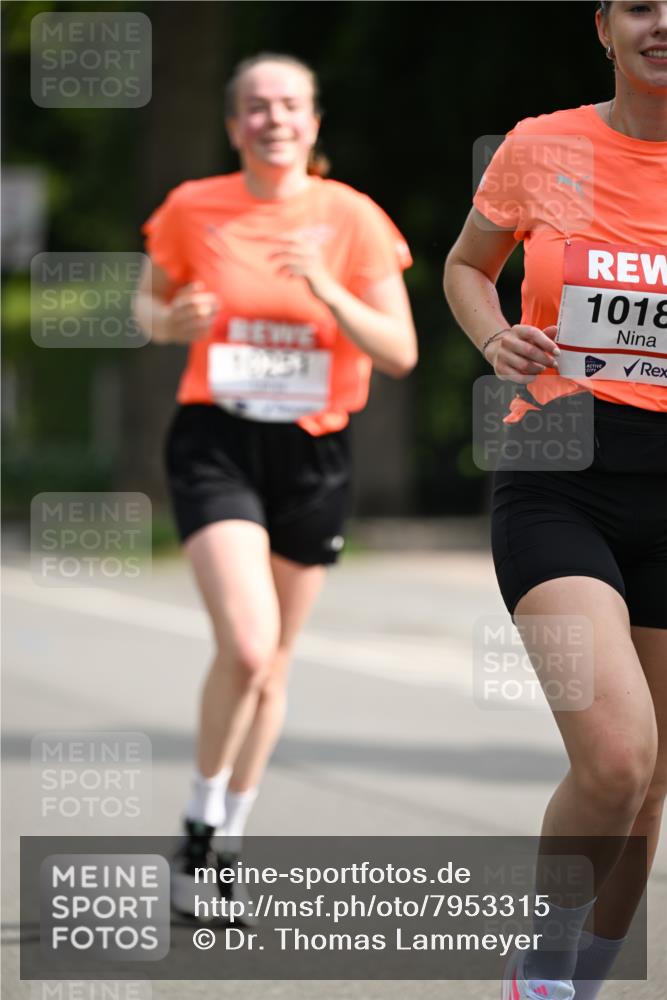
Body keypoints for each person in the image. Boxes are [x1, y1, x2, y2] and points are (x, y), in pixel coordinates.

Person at [133, 52, 417, 917]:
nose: (273, 119)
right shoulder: (192, 206)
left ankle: (224, 834)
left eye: (289, 105)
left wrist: (325, 284)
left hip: (313, 451)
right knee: (249, 645)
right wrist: (166, 320)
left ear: (314, 122)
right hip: (217, 441)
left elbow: (398, 352)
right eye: (255, 107)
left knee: (273, 664)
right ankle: (195, 827)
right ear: (233, 125)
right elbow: (149, 308)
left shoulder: (351, 218)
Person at [444, 2, 666, 998]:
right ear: (604, 28)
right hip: (556, 460)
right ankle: (540, 968)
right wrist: (493, 337)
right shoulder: (543, 147)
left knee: (652, 782)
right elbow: (464, 268)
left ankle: (581, 985)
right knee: (616, 758)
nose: (662, 24)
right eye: (641, 7)